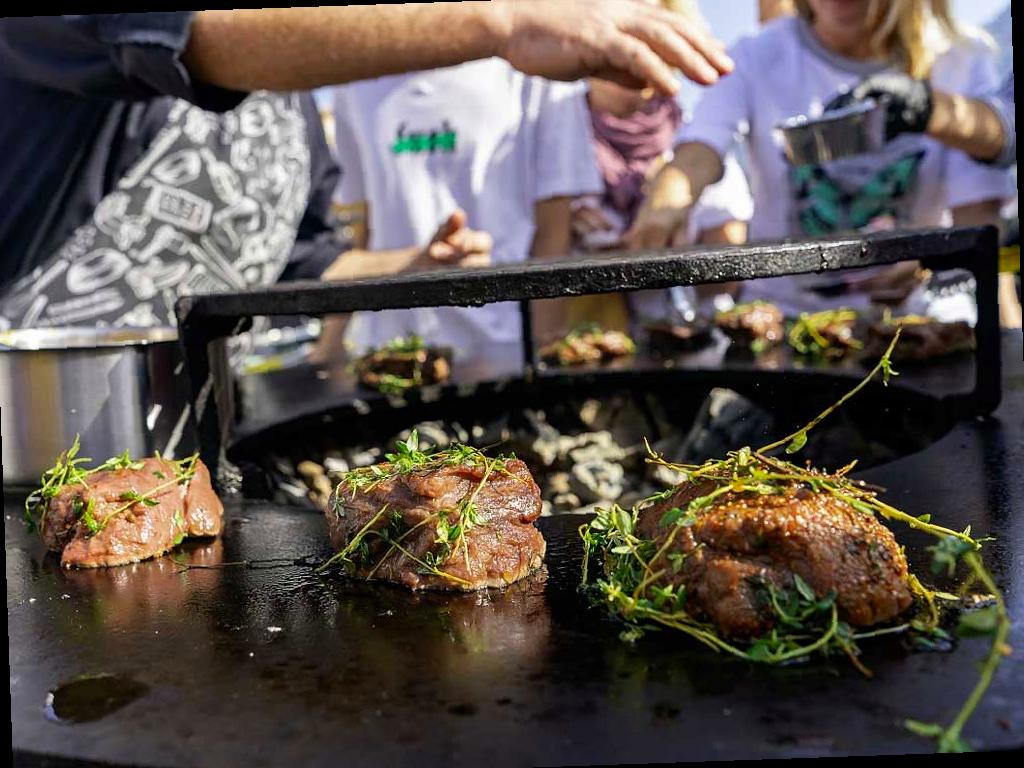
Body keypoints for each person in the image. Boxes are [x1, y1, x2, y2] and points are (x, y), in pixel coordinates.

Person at [0, 4, 734, 329]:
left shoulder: (292, 99)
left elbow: (298, 265)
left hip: (199, 435)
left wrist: (410, 263)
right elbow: (192, 35)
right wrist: (502, 22)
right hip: (44, 426)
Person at [626, 0, 1014, 322]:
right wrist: (667, 202)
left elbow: (978, 224)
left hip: (911, 319)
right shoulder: (755, 55)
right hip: (781, 317)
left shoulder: (959, 60)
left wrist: (930, 265)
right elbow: (699, 152)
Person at [318, 56, 603, 365]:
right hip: (388, 348)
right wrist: (330, 346)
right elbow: (366, 226)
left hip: (501, 346)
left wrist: (539, 359)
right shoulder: (355, 77)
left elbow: (553, 236)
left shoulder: (538, 68)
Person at [571, 0, 753, 332]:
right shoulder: (554, 129)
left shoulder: (698, 132)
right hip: (592, 337)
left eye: (646, 39)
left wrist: (678, 251)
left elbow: (730, 267)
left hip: (692, 336)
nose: (627, 56)